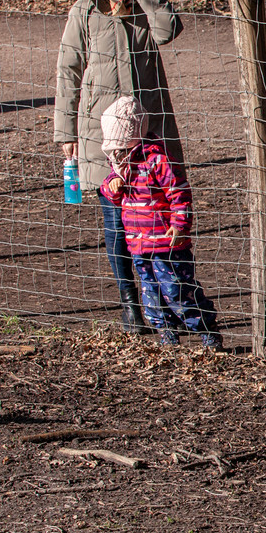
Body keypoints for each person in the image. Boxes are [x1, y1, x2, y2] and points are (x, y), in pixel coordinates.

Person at [55, 0, 182, 333]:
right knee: (115, 222)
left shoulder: (147, 7)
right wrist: (66, 131)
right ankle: (130, 304)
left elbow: (168, 30)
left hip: (149, 130)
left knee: (157, 220)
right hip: (99, 135)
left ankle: (165, 303)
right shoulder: (84, 12)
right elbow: (68, 71)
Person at [97, 97, 221, 349]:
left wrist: (179, 224)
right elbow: (110, 193)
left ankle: (206, 329)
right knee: (151, 292)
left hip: (166, 243)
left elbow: (179, 192)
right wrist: (112, 187)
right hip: (138, 243)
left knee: (177, 289)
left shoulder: (157, 159)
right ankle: (165, 331)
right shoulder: (120, 163)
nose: (115, 148)